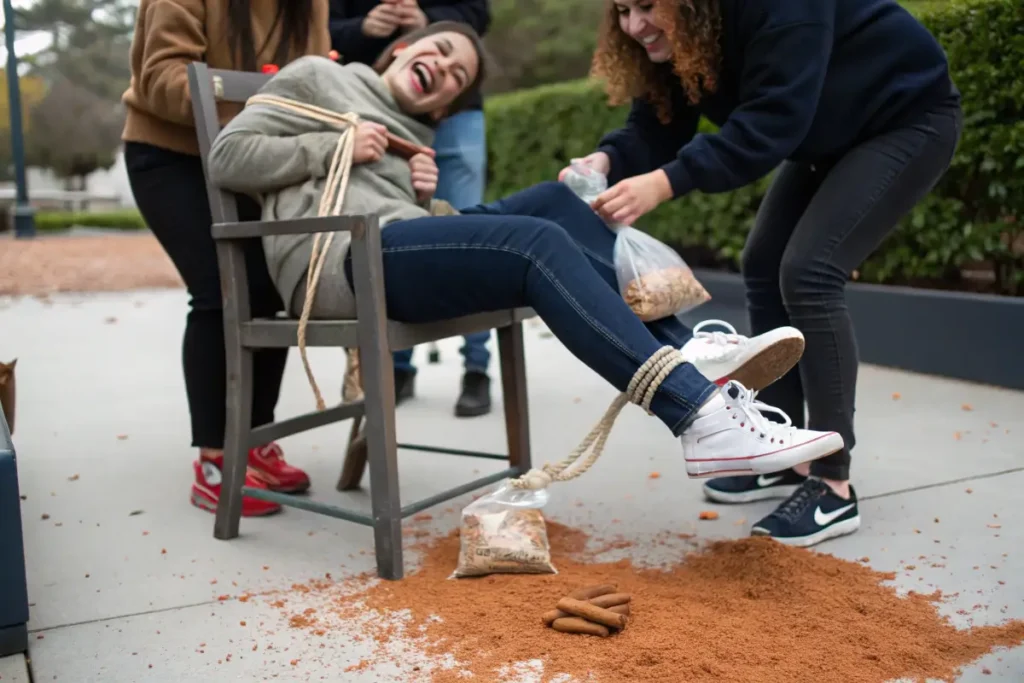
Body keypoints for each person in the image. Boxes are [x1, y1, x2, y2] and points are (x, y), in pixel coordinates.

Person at [205, 21, 848, 488]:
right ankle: (698, 415)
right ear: (404, 48)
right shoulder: (319, 76)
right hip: (341, 263)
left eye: (457, 80)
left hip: (392, 245)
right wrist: (332, 148)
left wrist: (425, 200)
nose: (446, 72)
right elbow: (227, 157)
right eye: (441, 52)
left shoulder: (413, 138)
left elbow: (431, 241)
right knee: (535, 244)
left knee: (554, 202)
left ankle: (689, 352)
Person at [565, 0, 962, 546]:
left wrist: (664, 182)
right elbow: (659, 121)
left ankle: (831, 483)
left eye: (648, 6)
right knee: (762, 265)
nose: (634, 27)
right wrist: (608, 160)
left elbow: (772, 122)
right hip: (827, 137)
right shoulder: (686, 34)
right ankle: (783, 452)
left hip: (904, 119)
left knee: (809, 273)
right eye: (622, 10)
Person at [121, 0, 333, 518]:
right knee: (220, 291)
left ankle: (256, 441)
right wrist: (263, 105)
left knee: (273, 287)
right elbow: (162, 78)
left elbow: (313, 76)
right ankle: (216, 460)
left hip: (252, 159)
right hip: (172, 153)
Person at [328, 0, 495, 418]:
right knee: (388, 228)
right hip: (374, 104)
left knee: (471, 228)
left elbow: (479, 14)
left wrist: (429, 24)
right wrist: (364, 28)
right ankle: (395, 367)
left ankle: (477, 366)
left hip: (457, 110)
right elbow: (325, 27)